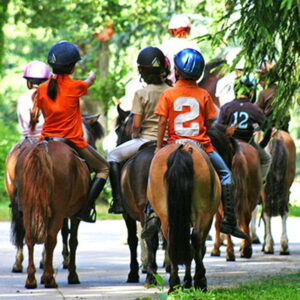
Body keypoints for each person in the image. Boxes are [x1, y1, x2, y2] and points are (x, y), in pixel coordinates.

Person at [153, 48, 247, 239]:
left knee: (152, 176)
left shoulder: (168, 94)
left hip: (174, 143)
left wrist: (158, 147)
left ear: (177, 72)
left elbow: (162, 122)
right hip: (201, 146)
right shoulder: (204, 95)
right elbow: (212, 122)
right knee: (226, 175)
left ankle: (151, 215)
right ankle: (229, 220)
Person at [36, 41, 109, 223]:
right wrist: (91, 75)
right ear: (71, 68)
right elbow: (89, 82)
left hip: (46, 139)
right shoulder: (75, 87)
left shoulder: (42, 89)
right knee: (104, 168)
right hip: (72, 141)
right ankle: (85, 209)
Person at [107, 46, 170, 215]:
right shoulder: (171, 91)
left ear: (141, 70)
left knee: (112, 155)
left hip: (145, 140)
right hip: (169, 142)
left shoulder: (141, 93)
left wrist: (135, 135)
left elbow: (136, 125)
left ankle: (118, 200)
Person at [218, 75, 272, 183]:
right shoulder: (254, 109)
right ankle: (260, 183)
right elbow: (268, 129)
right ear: (251, 92)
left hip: (230, 144)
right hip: (248, 142)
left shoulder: (226, 107)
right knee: (267, 159)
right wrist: (262, 145)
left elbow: (219, 129)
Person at [160, 14, 200, 85]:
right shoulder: (193, 46)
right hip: (190, 86)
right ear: (187, 30)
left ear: (172, 31)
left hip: (169, 86)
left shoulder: (165, 46)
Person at [17, 61, 50, 139]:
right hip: (48, 138)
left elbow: (22, 124)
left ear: (29, 83)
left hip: (27, 140)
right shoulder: (51, 98)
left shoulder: (22, 99)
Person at [256, 62, 290, 131]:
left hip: (268, 128)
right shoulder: (282, 90)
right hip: (283, 127)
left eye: (262, 74)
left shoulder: (263, 93)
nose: (260, 78)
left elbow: (258, 114)